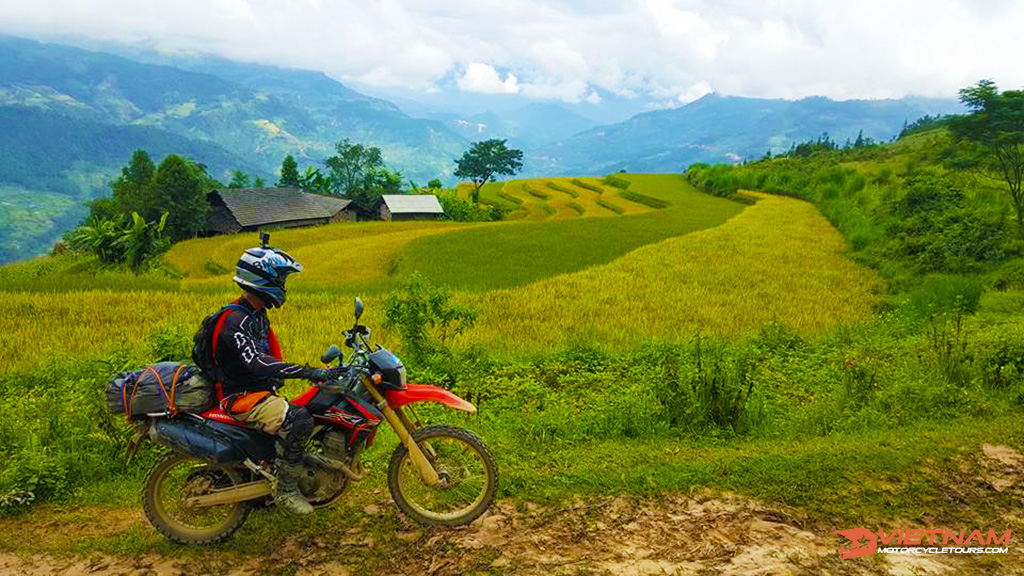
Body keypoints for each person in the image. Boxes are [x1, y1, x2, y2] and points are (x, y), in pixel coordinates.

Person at [192, 244, 336, 516]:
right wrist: (309, 372)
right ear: (262, 280)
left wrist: (312, 375)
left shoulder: (256, 315)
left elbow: (269, 356)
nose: (283, 286)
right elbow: (258, 363)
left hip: (259, 392)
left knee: (315, 406)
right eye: (280, 279)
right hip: (240, 397)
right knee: (299, 420)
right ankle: (286, 489)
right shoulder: (235, 321)